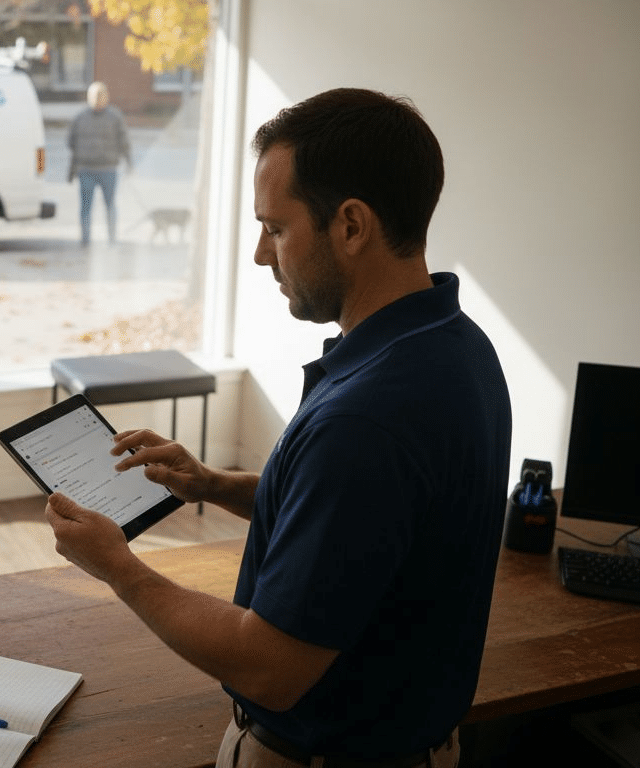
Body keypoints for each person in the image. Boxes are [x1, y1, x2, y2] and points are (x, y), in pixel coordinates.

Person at [44, 88, 512, 768]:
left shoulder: (366, 418)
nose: (263, 255)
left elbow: (269, 669)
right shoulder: (458, 344)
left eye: (276, 228)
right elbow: (368, 520)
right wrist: (212, 484)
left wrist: (118, 567)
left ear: (351, 226)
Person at [67, 81, 132, 245]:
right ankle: (85, 239)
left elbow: (124, 142)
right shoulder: (80, 118)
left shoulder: (115, 117)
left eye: (100, 96)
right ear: (89, 98)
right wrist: (71, 171)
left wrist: (130, 163)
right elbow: (71, 144)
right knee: (85, 208)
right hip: (86, 170)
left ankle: (112, 239)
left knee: (110, 206)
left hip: (108, 170)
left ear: (106, 97)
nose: (97, 99)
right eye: (94, 96)